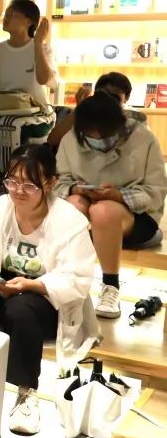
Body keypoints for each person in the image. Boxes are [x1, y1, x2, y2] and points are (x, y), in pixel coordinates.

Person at [0, 144, 98, 434]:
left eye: (29, 184)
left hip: (48, 301)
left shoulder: (69, 220)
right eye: (12, 181)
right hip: (4, 287)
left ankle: (26, 393)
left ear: (50, 183)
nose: (18, 191)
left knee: (21, 308)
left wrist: (32, 284)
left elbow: (77, 279)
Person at [56, 92, 167, 319]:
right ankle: (67, 280)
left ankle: (110, 285)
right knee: (72, 205)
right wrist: (76, 189)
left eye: (105, 136)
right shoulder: (70, 140)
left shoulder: (144, 140)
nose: (98, 141)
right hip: (87, 213)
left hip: (137, 218)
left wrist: (118, 195)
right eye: (91, 137)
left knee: (103, 211)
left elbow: (155, 192)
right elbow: (57, 182)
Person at [0, 0, 57, 165]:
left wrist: (37, 44)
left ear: (29, 22)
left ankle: (12, 174)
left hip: (37, 114)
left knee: (10, 126)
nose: (6, 18)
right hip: (1, 111)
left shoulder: (43, 48)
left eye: (13, 15)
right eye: (5, 14)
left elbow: (44, 79)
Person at [47, 71, 138, 148]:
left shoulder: (132, 122)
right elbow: (52, 141)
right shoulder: (88, 113)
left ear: (126, 98)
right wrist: (80, 109)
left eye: (115, 98)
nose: (108, 102)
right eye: (104, 96)